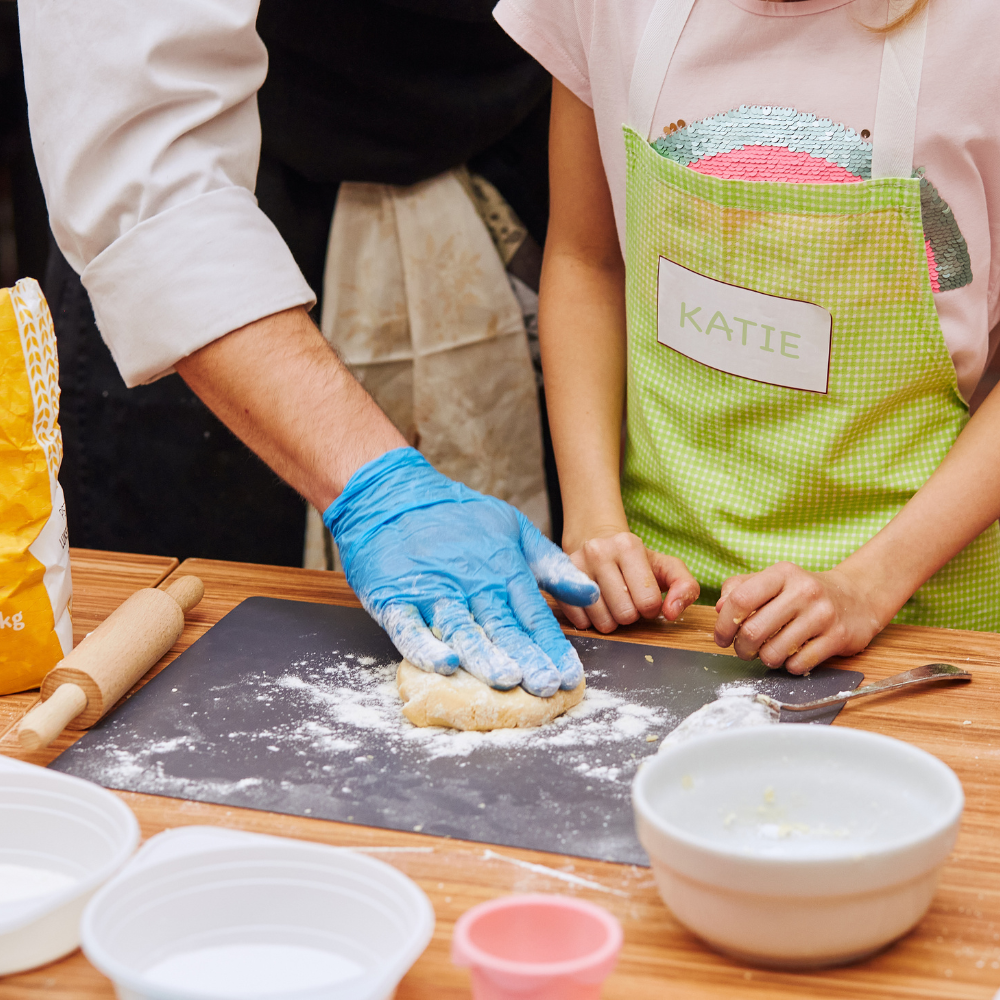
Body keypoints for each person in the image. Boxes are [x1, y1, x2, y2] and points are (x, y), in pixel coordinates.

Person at [18, 0, 600, 698]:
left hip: (521, 173)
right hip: (222, 262)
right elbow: (147, 160)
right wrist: (382, 491)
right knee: (217, 696)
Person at [494, 0, 1000, 673]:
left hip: (919, 623)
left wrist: (867, 586)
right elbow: (587, 261)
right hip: (660, 612)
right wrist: (593, 519)